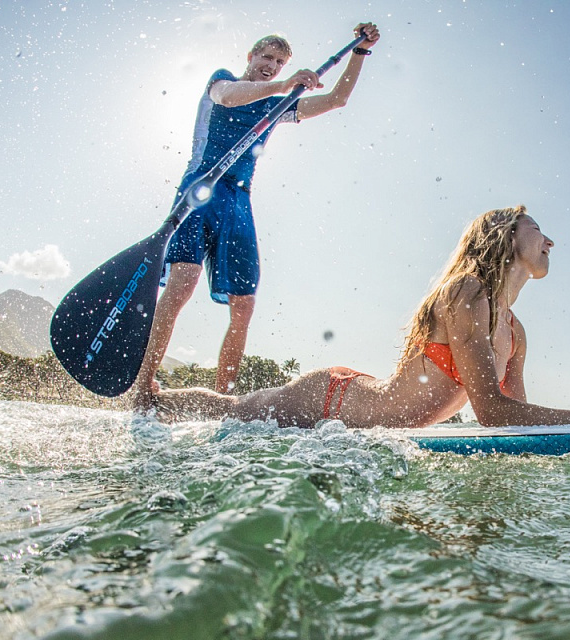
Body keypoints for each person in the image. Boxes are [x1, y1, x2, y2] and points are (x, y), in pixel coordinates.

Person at [149, 205, 570, 428]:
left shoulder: (515, 331)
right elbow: (492, 412)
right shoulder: (465, 293)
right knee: (231, 411)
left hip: (365, 405)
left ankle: (152, 398)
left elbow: (514, 420)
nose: (549, 240)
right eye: (536, 228)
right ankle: (151, 397)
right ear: (506, 237)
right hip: (331, 399)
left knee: (235, 410)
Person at [131, 23, 382, 409]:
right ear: (251, 56)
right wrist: (283, 87)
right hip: (201, 190)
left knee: (244, 304)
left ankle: (224, 402)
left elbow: (337, 100)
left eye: (280, 63)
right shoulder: (223, 81)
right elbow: (230, 98)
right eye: (266, 57)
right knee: (183, 283)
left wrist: (359, 52)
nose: (272, 65)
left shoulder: (276, 106)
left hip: (238, 201)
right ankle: (144, 386)